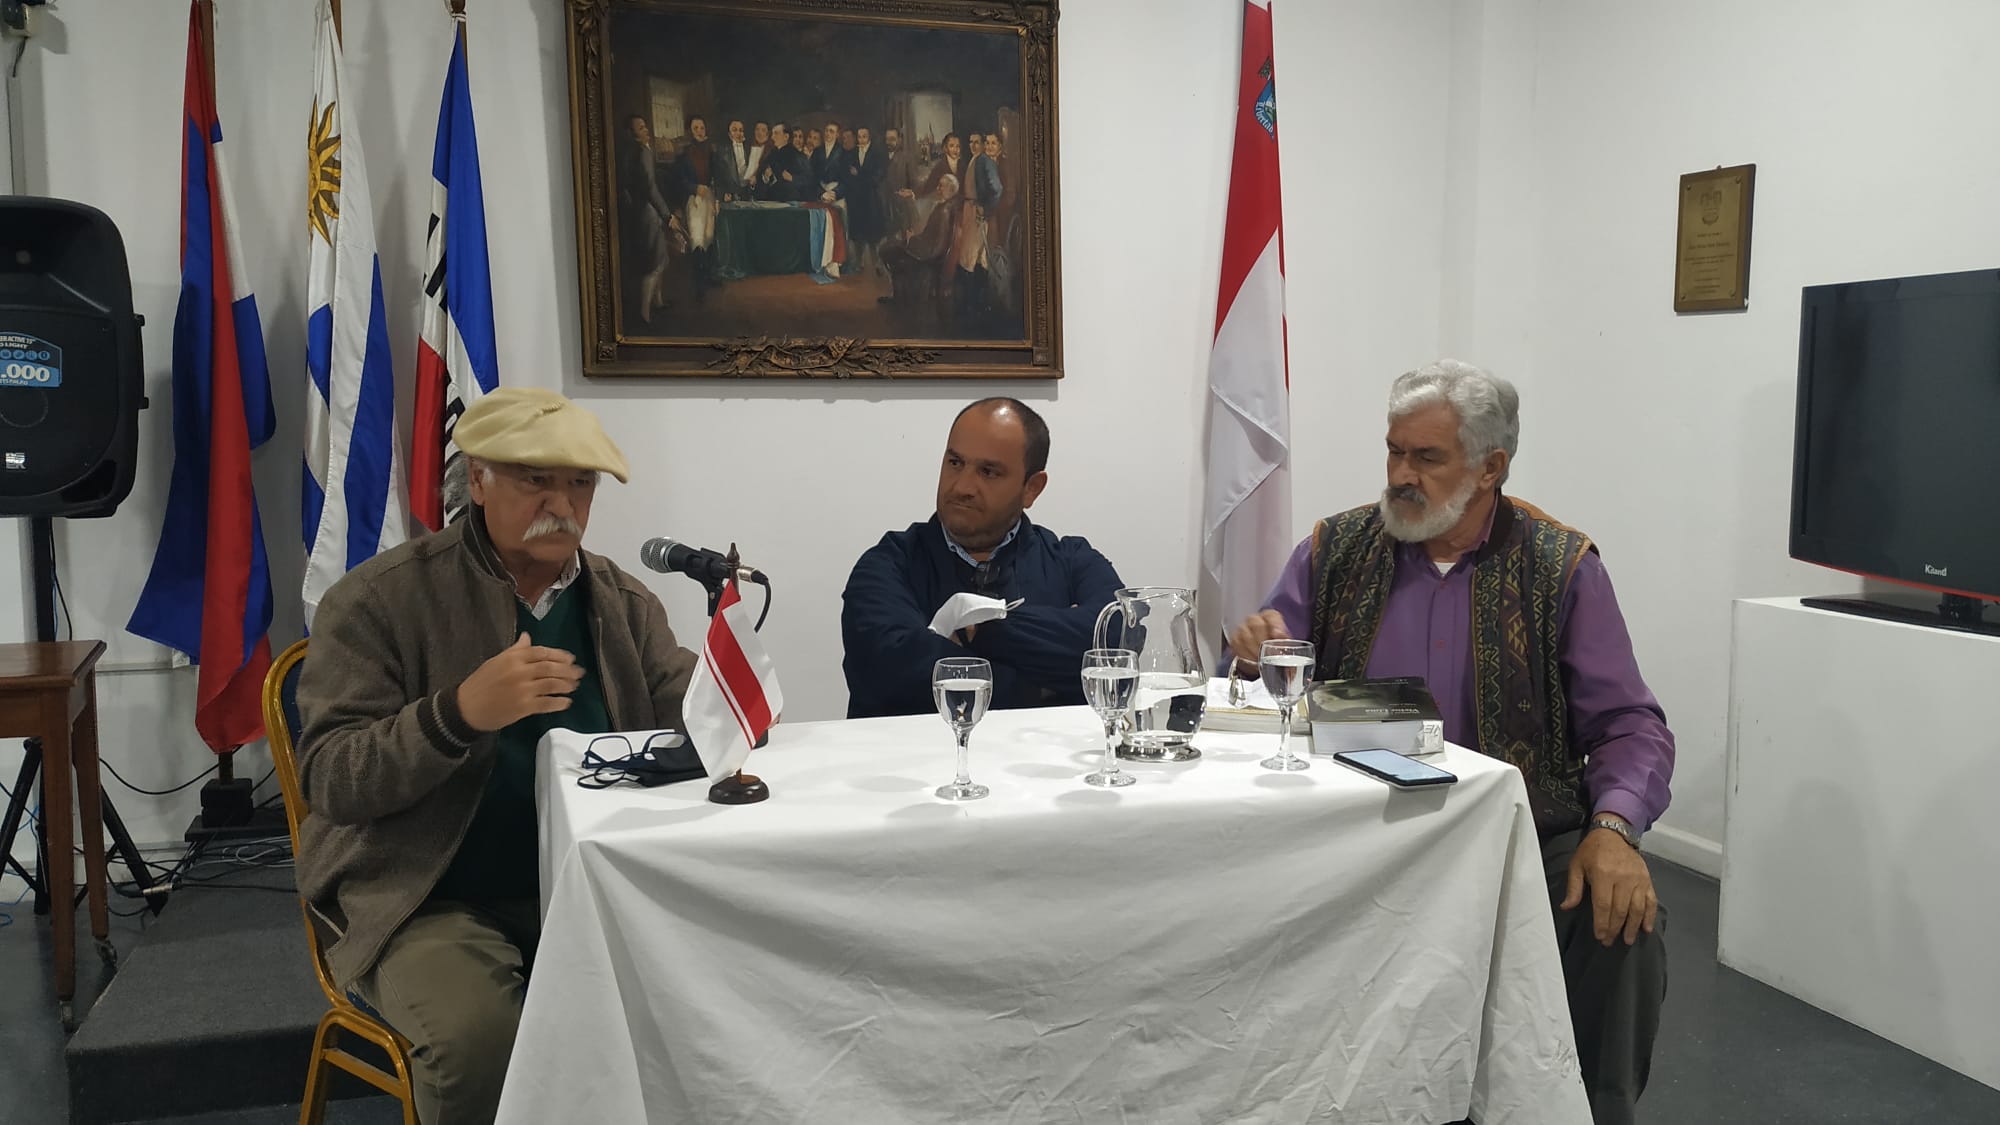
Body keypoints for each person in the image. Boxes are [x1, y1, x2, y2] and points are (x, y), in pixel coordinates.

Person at [1225, 360, 1673, 1125]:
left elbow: (1631, 723)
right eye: (1394, 451)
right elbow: (1263, 676)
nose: (1401, 474)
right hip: (1352, 829)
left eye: (1426, 457)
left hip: (1516, 838)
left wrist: (1614, 826)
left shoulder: (1559, 567)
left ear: (1490, 466)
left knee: (1621, 921)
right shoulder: (1336, 549)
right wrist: (1248, 654)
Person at [294, 387, 699, 1125]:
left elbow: (690, 715)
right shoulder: (380, 599)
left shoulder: (622, 601)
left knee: (709, 999)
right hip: (424, 891)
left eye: (580, 483)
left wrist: (731, 700)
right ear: (477, 481)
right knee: (476, 1041)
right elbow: (331, 775)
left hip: (591, 885)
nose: (562, 504)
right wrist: (456, 714)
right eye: (535, 479)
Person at [842, 398, 1123, 719]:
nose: (963, 486)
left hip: (1045, 751)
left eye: (988, 472)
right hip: (915, 751)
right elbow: (892, 676)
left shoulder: (1071, 561)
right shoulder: (888, 564)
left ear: (1031, 488)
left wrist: (980, 630)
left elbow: (1117, 642)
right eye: (955, 462)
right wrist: (1046, 687)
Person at [877, 172, 958, 307]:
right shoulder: (946, 207)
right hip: (928, 248)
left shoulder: (943, 211)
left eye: (941, 186)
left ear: (950, 189)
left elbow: (935, 243)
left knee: (888, 252)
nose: (937, 189)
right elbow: (930, 235)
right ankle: (901, 296)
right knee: (891, 247)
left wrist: (912, 240)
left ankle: (899, 298)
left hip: (927, 252)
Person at [847, 126, 889, 276]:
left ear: (869, 137)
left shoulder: (877, 154)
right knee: (858, 234)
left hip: (871, 199)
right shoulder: (852, 153)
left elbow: (877, 177)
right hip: (856, 200)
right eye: (859, 136)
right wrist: (858, 178)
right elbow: (848, 176)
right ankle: (859, 263)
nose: (861, 139)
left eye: (864, 136)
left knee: (873, 235)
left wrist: (859, 175)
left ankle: (878, 264)